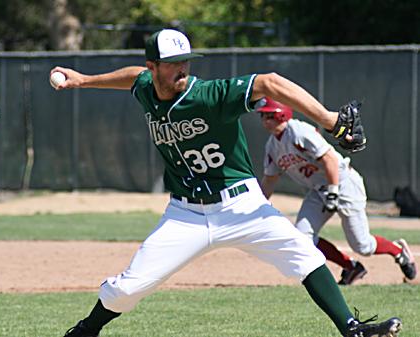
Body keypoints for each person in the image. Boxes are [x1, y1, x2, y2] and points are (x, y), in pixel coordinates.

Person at [51, 29, 402, 337]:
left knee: (304, 254)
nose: (182, 68)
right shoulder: (147, 86)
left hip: (241, 206)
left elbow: (269, 82)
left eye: (186, 60)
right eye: (173, 62)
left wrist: (328, 119)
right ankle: (86, 330)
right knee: (127, 290)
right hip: (184, 213)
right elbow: (134, 78)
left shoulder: (209, 94)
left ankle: (352, 330)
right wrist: (82, 80)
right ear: (154, 66)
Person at [257, 97, 417, 285]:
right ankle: (351, 266)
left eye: (268, 115)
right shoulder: (272, 146)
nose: (264, 120)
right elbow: (270, 179)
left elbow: (330, 159)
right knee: (303, 237)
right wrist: (259, 204)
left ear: (281, 114)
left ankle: (398, 251)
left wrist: (333, 190)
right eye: (262, 116)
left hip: (343, 184)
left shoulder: (299, 131)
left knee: (362, 245)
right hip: (318, 190)